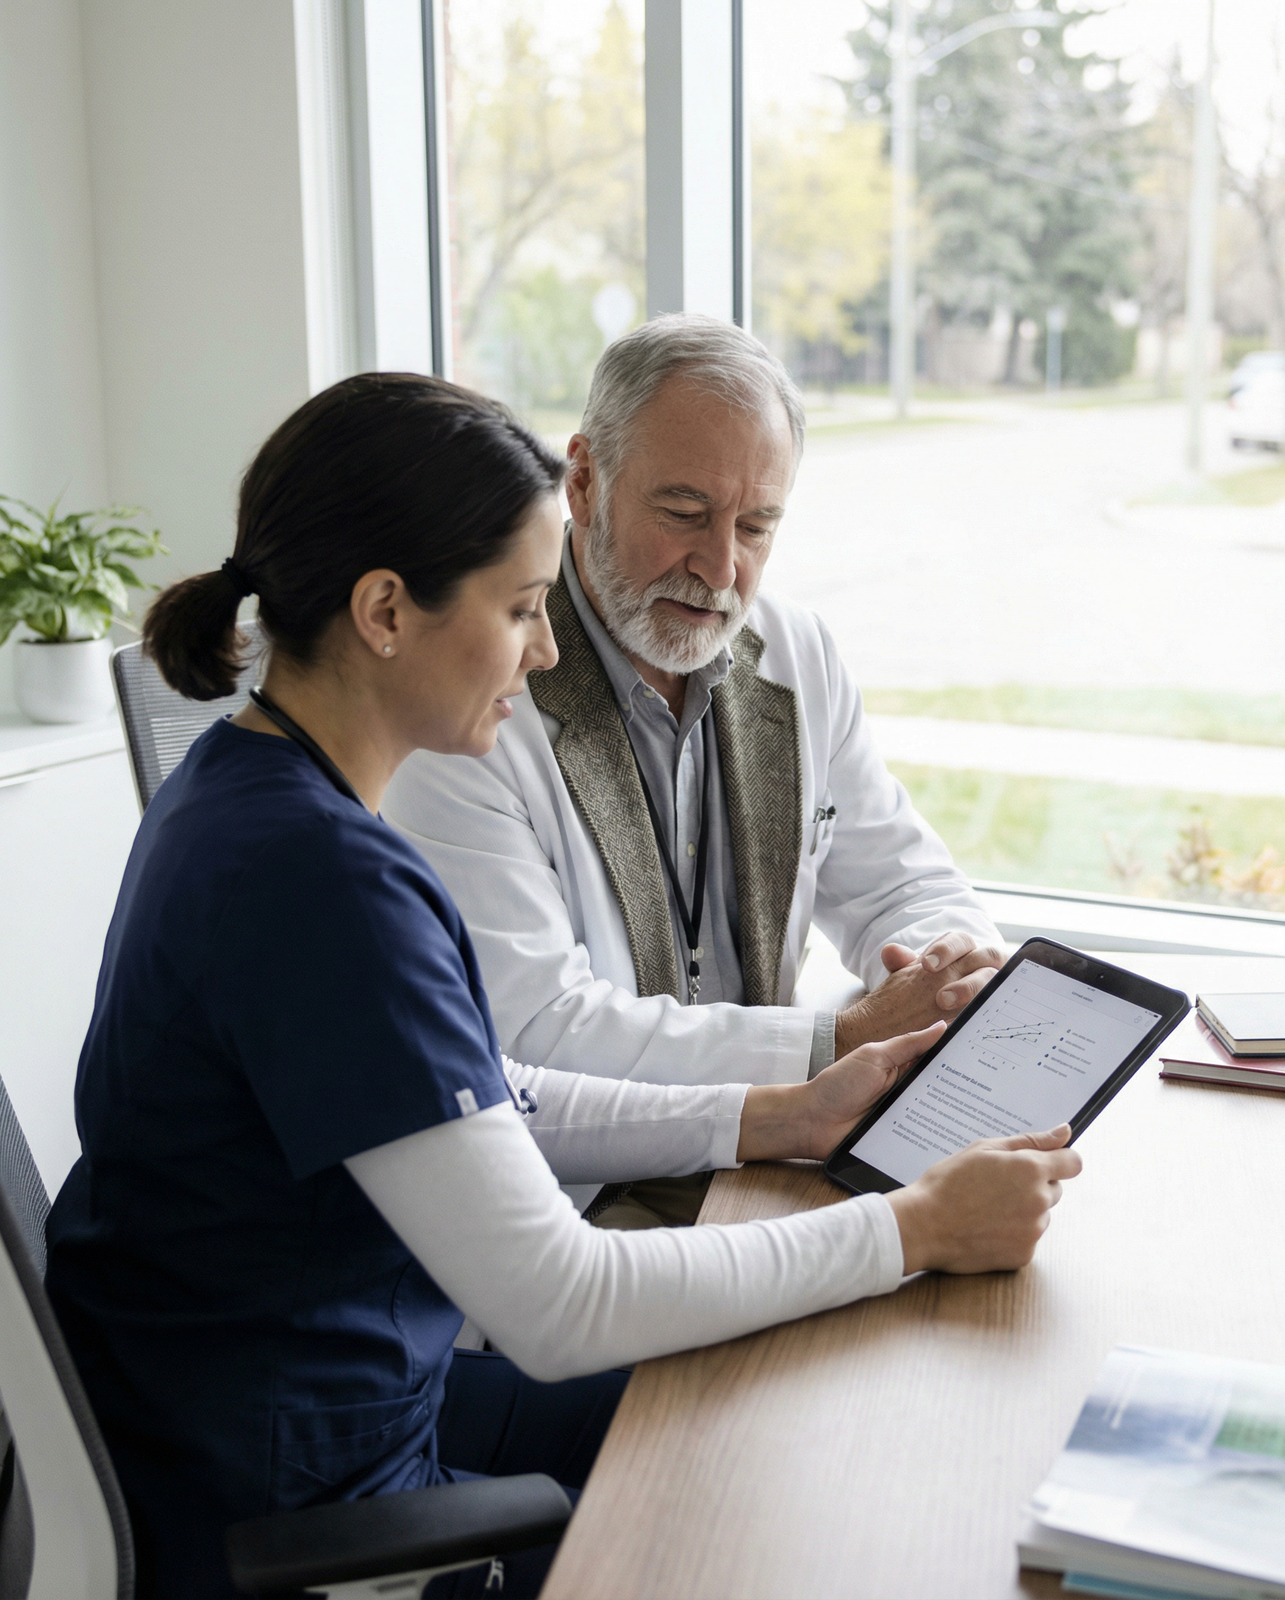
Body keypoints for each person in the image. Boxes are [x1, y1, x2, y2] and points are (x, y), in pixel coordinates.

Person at [44, 373, 1083, 1599]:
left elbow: (483, 1094)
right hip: (293, 1497)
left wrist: (779, 1115)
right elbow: (559, 1302)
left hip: (325, 1402)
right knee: (765, 1532)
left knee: (764, 1413)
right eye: (523, 608)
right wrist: (916, 1227)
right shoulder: (323, 882)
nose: (544, 651)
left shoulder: (247, 788)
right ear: (385, 611)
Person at [385, 316, 1007, 1229]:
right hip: (585, 1207)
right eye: (684, 513)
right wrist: (835, 1041)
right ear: (584, 482)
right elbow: (535, 1036)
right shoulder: (470, 701)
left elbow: (902, 881)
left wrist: (954, 973)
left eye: (756, 525)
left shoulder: (796, 652)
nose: (721, 567)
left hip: (769, 1165)